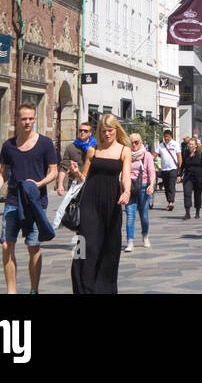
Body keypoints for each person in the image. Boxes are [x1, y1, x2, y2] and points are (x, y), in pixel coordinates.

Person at [0, 102, 58, 294]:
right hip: (12, 200)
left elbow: (54, 171)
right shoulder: (9, 146)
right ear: (17, 120)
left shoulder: (45, 143)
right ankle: (12, 290)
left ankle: (34, 289)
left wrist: (39, 184)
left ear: (35, 119)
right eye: (23, 119)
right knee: (6, 244)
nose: (27, 122)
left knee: (33, 246)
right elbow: (2, 172)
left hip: (35, 202)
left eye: (30, 118)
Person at [71, 113, 131, 294]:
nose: (107, 134)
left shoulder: (124, 150)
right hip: (90, 201)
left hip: (111, 202)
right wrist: (75, 172)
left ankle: (104, 288)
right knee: (85, 244)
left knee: (110, 246)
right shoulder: (92, 150)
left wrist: (127, 191)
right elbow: (84, 177)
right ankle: (84, 287)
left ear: (116, 130)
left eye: (110, 131)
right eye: (103, 131)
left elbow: (126, 176)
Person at [124, 133, 156, 251]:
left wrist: (151, 185)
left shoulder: (146, 155)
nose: (134, 145)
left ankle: (145, 235)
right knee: (130, 215)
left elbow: (152, 172)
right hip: (129, 188)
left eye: (136, 142)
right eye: (131, 143)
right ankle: (130, 242)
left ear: (141, 142)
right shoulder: (126, 155)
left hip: (143, 187)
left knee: (144, 216)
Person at [58, 121, 96, 197]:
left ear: (90, 133)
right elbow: (63, 167)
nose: (82, 132)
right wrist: (60, 184)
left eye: (85, 131)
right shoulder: (71, 147)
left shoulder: (96, 147)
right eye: (80, 130)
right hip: (74, 184)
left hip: (92, 184)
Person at [178, 137, 202, 219]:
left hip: (198, 177)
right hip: (188, 177)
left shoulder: (200, 154)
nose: (190, 146)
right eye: (189, 144)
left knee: (197, 195)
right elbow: (182, 165)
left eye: (192, 144)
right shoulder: (185, 153)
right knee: (187, 193)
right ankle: (187, 213)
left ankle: (197, 212)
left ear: (195, 146)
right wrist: (179, 175)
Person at [154, 129, 180, 213]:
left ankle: (171, 202)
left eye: (167, 137)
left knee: (171, 185)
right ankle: (169, 201)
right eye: (165, 137)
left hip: (173, 168)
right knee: (166, 186)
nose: (166, 138)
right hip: (164, 169)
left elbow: (179, 156)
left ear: (171, 136)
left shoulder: (175, 144)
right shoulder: (161, 145)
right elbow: (155, 155)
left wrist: (179, 169)